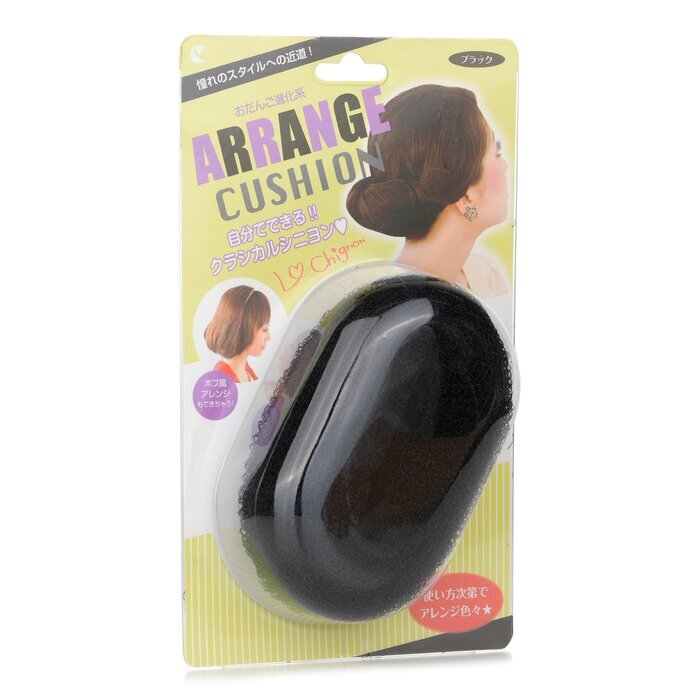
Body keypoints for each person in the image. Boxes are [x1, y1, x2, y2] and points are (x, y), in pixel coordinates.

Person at [347, 84, 510, 298]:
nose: (505, 165)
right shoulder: (385, 302)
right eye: (496, 152)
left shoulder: (486, 275)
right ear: (465, 196)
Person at [204, 286, 271, 383]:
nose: (269, 337)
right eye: (264, 330)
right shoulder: (222, 380)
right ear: (243, 330)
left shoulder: (244, 368)